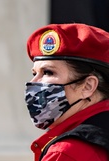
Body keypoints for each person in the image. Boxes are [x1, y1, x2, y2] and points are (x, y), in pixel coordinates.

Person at [24, 23, 109, 161]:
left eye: (48, 72)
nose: (34, 82)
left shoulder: (65, 153)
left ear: (87, 86)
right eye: (34, 73)